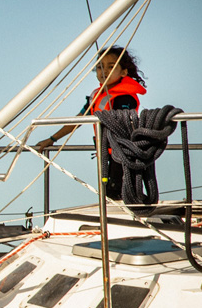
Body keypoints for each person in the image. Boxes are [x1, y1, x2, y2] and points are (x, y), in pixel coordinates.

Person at [35, 46, 146, 198]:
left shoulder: (124, 97)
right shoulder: (96, 97)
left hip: (124, 154)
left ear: (124, 72)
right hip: (107, 153)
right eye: (100, 67)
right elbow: (78, 119)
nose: (104, 71)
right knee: (110, 192)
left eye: (111, 67)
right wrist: (52, 139)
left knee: (120, 193)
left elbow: (125, 124)